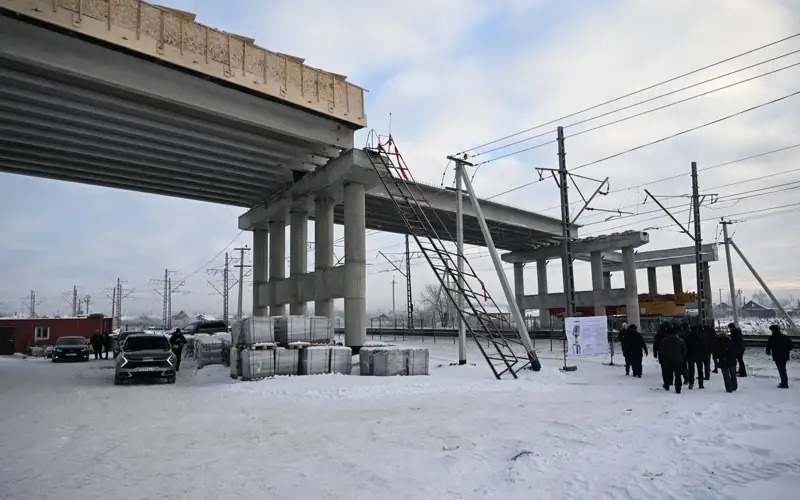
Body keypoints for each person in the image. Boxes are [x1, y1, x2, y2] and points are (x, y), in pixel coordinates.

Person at [658, 325, 687, 393]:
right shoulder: (680, 340)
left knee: (668, 373)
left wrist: (664, 357)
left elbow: (661, 350)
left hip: (667, 360)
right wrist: (681, 356)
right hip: (677, 359)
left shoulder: (665, 340)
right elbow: (685, 350)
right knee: (678, 374)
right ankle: (678, 388)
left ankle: (667, 385)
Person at [766, 324, 794, 389]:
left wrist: (768, 352)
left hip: (777, 356)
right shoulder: (785, 337)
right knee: (783, 369)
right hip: (785, 355)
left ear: (773, 330)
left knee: (781, 370)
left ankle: (784, 384)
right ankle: (784, 382)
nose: (771, 331)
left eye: (772, 330)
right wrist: (787, 350)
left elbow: (769, 347)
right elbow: (791, 346)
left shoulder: (772, 338)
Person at [685, 325, 706, 389]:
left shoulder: (687, 338)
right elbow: (703, 348)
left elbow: (685, 348)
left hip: (690, 356)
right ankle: (701, 383)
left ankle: (691, 383)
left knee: (691, 370)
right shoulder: (700, 338)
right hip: (699, 356)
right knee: (700, 370)